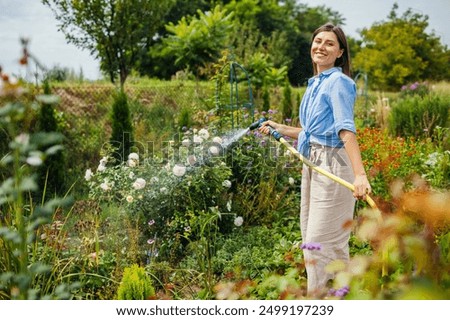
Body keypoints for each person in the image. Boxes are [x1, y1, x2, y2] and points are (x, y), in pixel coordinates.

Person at [259, 23, 372, 296]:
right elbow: (316, 132)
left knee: (318, 244)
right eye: (318, 41)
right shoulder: (317, 83)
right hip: (314, 165)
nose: (321, 46)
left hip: (334, 165)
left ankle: (319, 303)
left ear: (340, 53)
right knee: (318, 242)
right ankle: (344, 296)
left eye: (329, 43)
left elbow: (345, 130)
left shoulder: (339, 82)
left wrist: (360, 175)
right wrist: (282, 129)